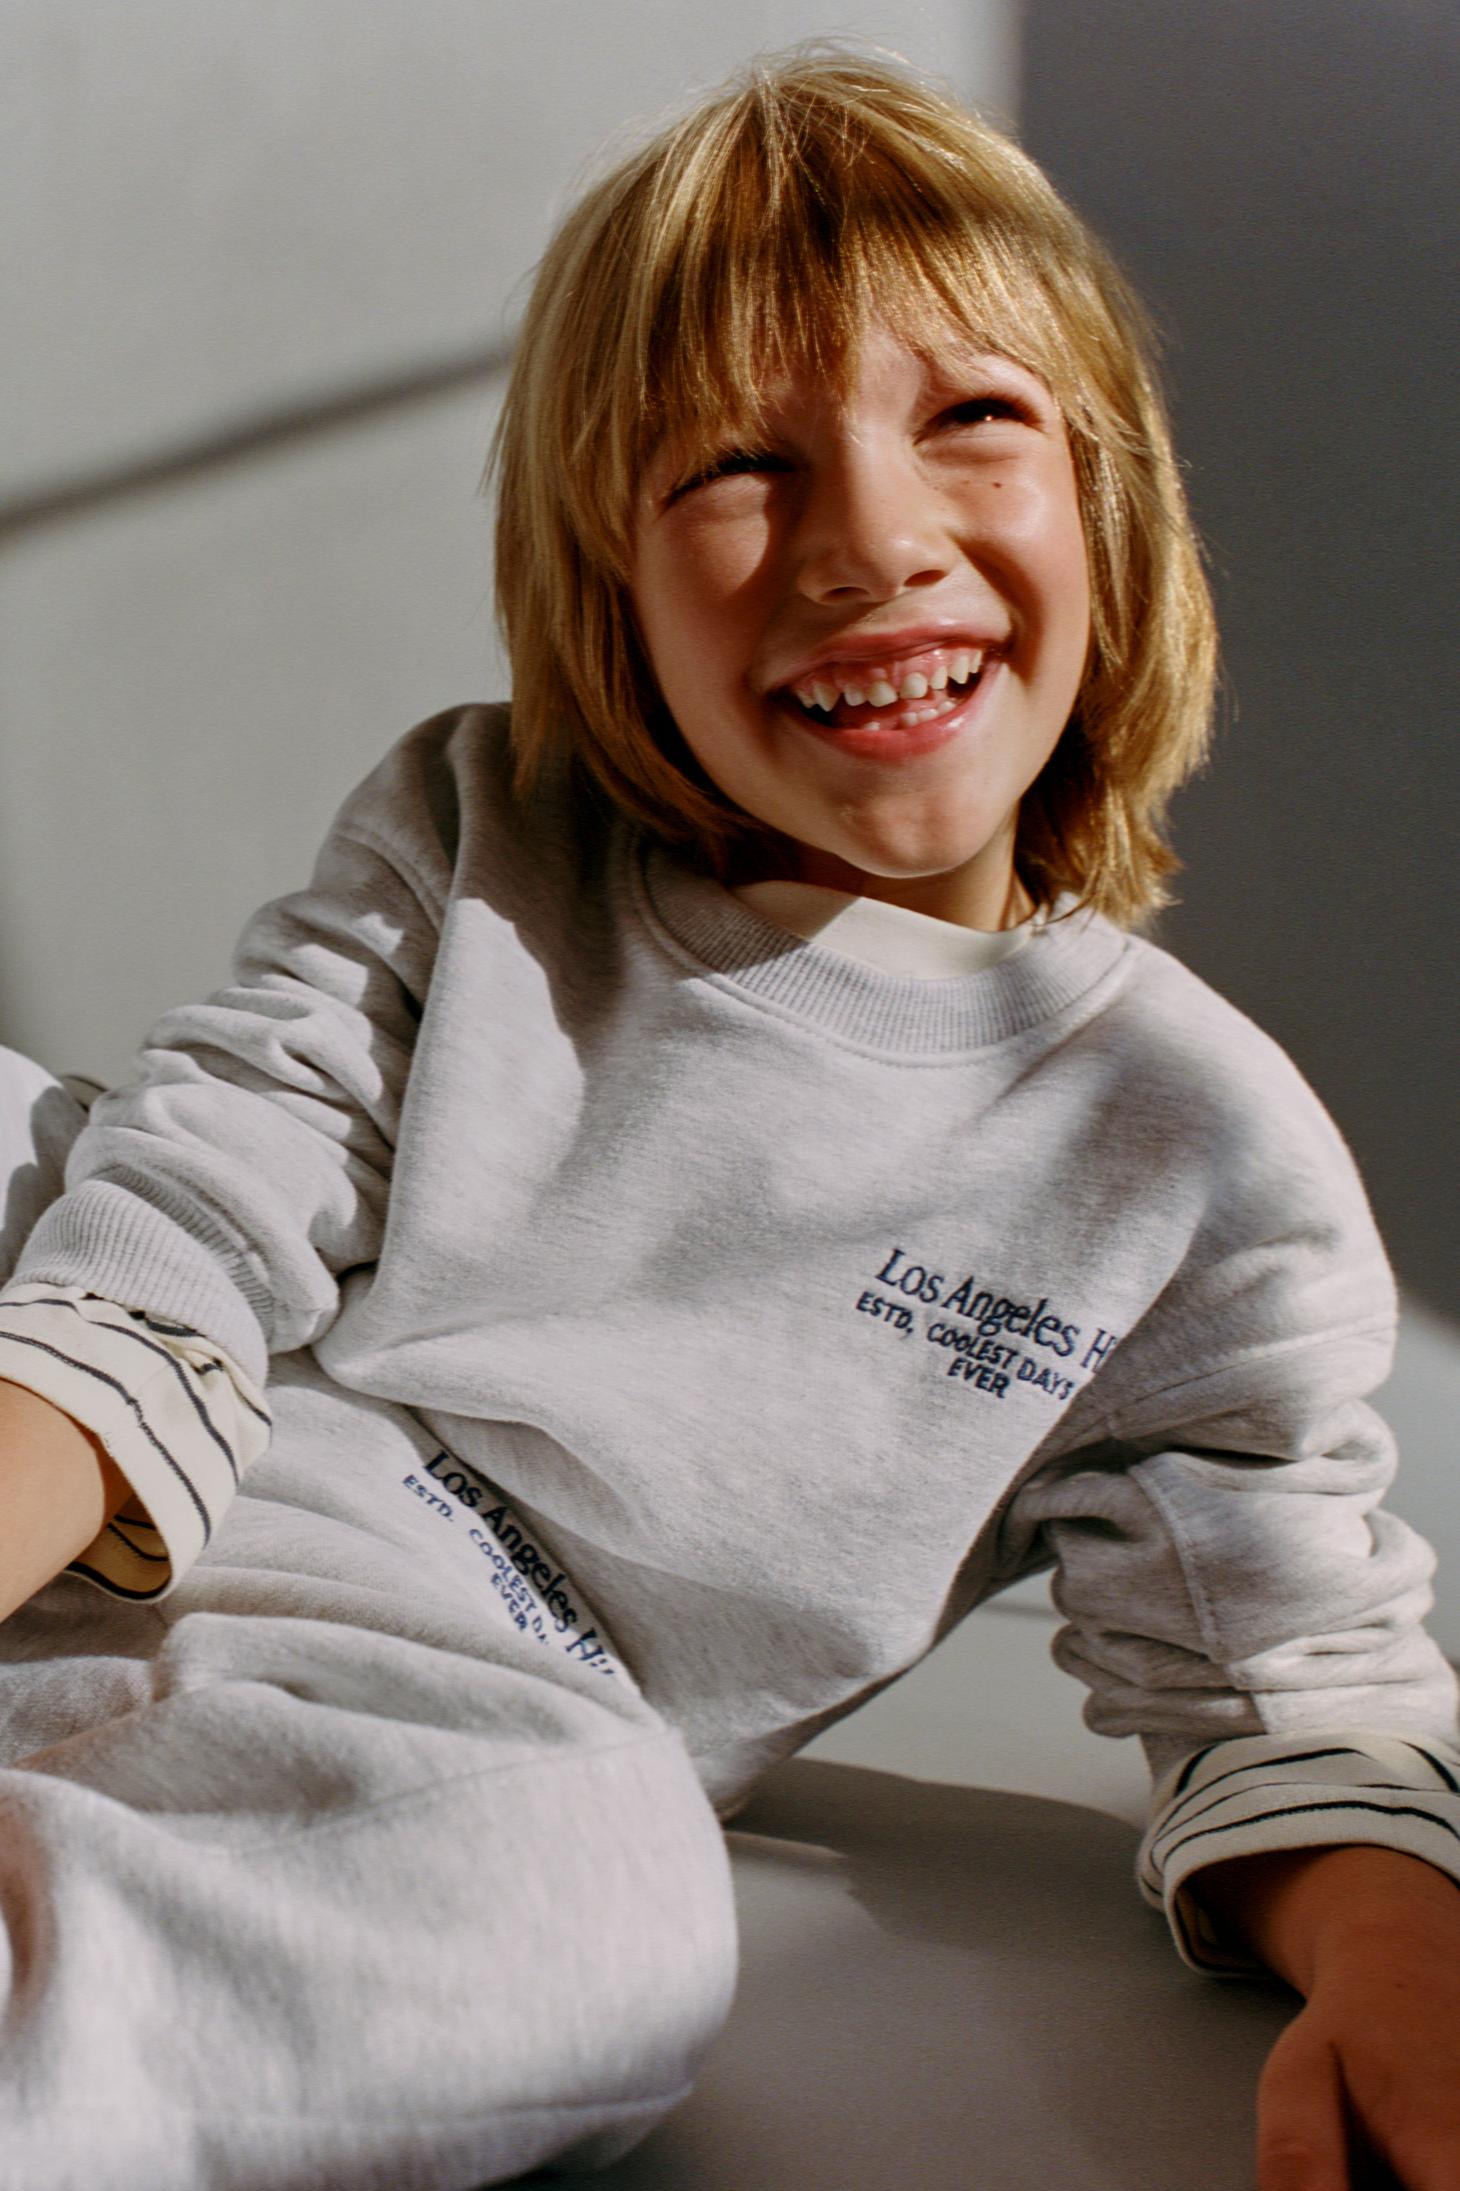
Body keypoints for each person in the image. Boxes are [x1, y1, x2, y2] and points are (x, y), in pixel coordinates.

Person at [1, 48, 1457, 2191]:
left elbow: (1293, 1680)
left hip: (476, 1687)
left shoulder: (1192, 1157)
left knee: (596, 1914)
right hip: (110, 1415)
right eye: (739, 465)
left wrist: (1401, 1967)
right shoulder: (486, 825)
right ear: (611, 578)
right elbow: (191, 1210)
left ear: (1107, 498)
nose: (872, 543)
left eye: (973, 418)